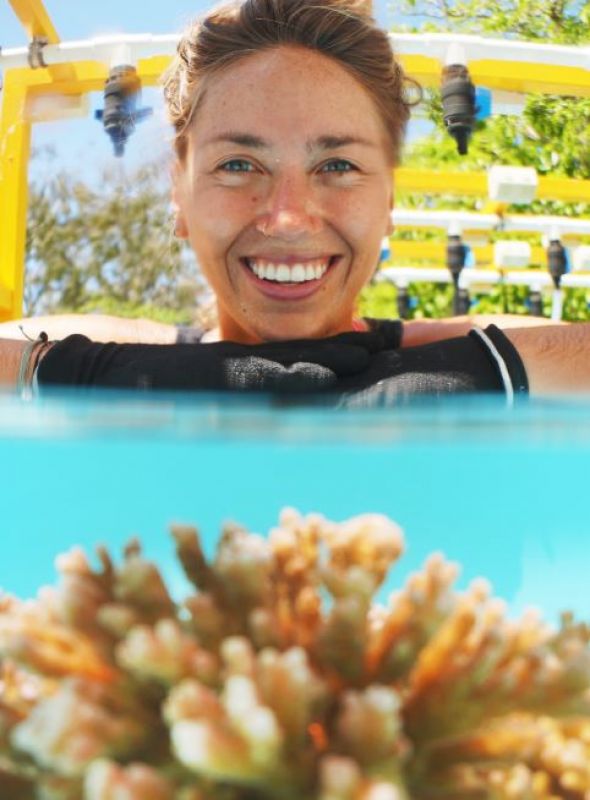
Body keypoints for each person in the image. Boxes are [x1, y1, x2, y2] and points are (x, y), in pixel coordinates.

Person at [0, 0, 587, 402]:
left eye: (337, 165)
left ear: (388, 202)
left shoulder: (449, 343)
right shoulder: (108, 347)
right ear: (179, 195)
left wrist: (477, 369)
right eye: (238, 164)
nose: (286, 218)